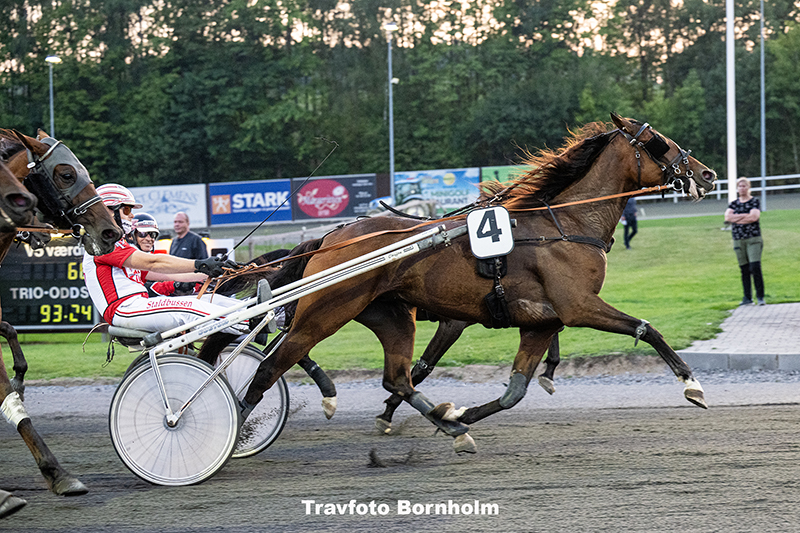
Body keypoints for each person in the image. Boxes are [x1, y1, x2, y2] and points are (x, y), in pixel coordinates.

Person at [83, 184, 245, 334]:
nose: (131, 215)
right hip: (124, 309)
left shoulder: (117, 243)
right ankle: (249, 323)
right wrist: (201, 264)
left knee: (212, 299)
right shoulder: (101, 245)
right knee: (191, 307)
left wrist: (219, 272)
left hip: (136, 306)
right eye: (126, 210)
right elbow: (153, 262)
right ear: (108, 211)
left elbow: (167, 275)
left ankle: (253, 312)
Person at [724, 177, 765, 306]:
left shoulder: (754, 202)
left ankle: (760, 296)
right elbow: (728, 217)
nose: (742, 188)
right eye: (740, 186)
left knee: (755, 267)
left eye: (744, 186)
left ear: (748, 187)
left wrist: (737, 218)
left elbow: (754, 217)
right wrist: (745, 216)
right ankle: (747, 297)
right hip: (738, 239)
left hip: (753, 238)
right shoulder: (734, 204)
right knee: (744, 269)